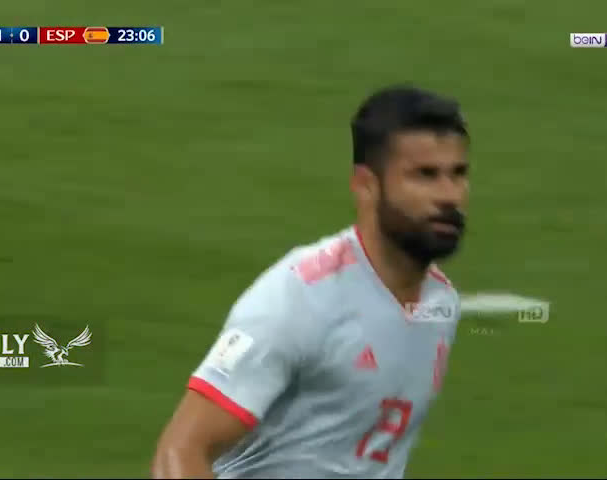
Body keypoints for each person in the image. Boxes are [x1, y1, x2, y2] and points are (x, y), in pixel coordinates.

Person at [152, 85, 471, 479]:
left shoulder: (440, 303)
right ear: (366, 186)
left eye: (458, 174)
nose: (449, 195)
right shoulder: (299, 299)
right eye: (425, 175)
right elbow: (180, 451)